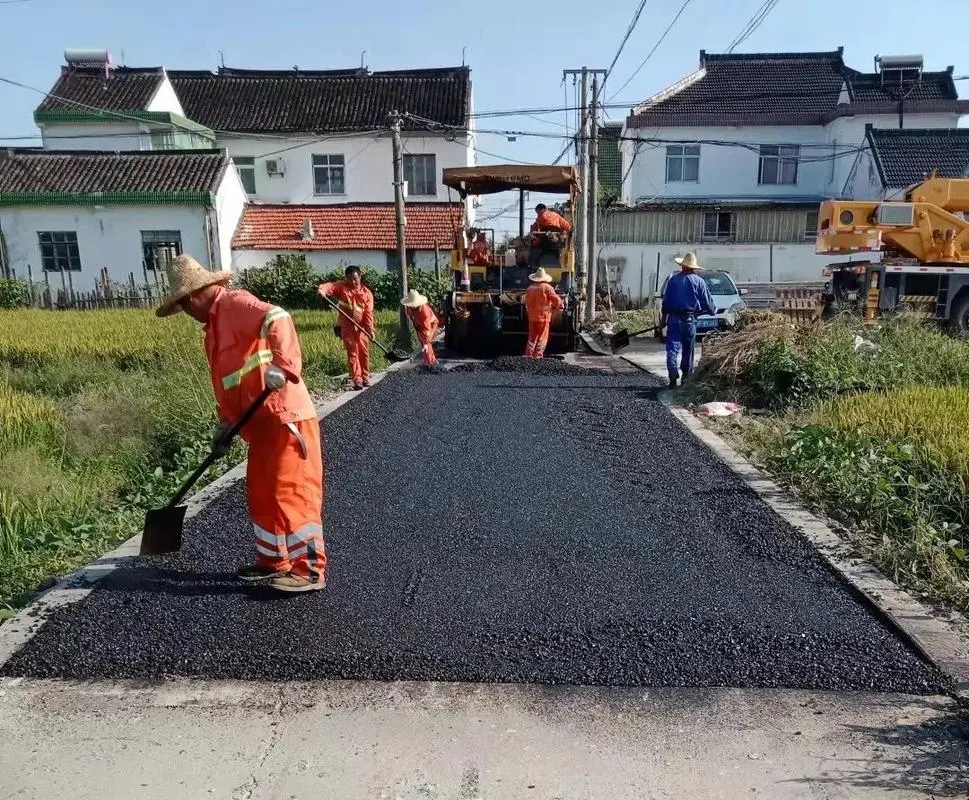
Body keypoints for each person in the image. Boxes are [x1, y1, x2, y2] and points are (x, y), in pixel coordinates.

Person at [156, 254, 326, 593]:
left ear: (199, 293)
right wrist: (225, 428)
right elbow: (229, 387)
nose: (187, 311)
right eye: (181, 305)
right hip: (259, 425)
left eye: (186, 302)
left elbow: (278, 317)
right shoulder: (213, 332)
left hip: (284, 415)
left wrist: (283, 365)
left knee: (290, 491)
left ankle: (308, 569)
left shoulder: (235, 303)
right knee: (262, 494)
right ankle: (274, 561)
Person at [659, 252, 716, 389]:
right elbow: (708, 304)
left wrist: (663, 320)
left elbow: (665, 303)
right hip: (689, 320)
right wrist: (711, 310)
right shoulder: (699, 282)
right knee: (688, 349)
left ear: (683, 266)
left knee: (672, 348)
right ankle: (685, 377)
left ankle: (672, 374)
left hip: (673, 319)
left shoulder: (673, 281)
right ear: (694, 268)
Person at [318, 265, 375, 390]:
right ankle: (357, 379)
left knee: (364, 353)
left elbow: (368, 314)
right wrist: (322, 290)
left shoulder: (367, 294)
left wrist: (370, 330)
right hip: (347, 327)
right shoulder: (342, 288)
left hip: (362, 329)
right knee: (353, 353)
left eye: (355, 278)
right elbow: (329, 286)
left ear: (360, 277)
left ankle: (365, 377)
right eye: (349, 279)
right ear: (346, 278)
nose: (353, 282)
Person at [523, 266, 565, 359]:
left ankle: (528, 354)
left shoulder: (530, 288)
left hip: (532, 317)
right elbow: (557, 301)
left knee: (532, 337)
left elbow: (526, 301)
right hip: (543, 317)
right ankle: (538, 354)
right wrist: (561, 305)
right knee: (542, 337)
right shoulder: (547, 288)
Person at [401, 288, 440, 367]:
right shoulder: (410, 307)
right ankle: (432, 360)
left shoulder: (424, 312)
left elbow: (427, 329)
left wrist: (426, 342)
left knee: (426, 342)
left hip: (431, 324)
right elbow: (409, 313)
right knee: (423, 342)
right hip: (419, 323)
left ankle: (429, 362)